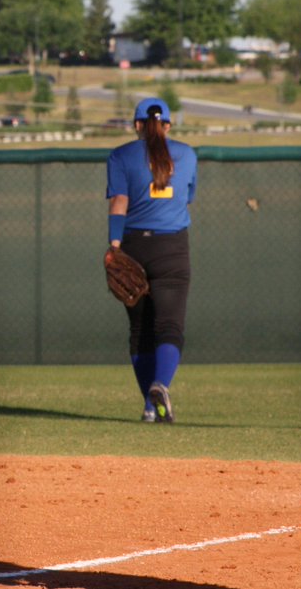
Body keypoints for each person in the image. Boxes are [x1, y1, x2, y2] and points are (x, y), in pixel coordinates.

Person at [105, 97, 197, 423]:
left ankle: (149, 405)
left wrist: (114, 247)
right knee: (169, 325)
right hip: (172, 247)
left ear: (137, 125)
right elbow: (188, 196)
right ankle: (161, 384)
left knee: (140, 330)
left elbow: (119, 202)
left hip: (132, 246)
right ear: (168, 125)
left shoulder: (121, 155)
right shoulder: (187, 154)